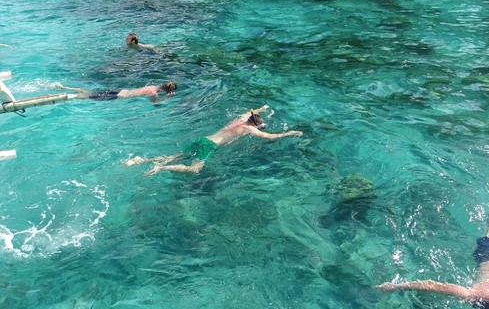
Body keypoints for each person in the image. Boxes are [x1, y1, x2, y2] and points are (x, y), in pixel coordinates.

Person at [376, 194, 489, 309]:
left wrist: (396, 286)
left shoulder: (484, 297)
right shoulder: (481, 297)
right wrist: (395, 286)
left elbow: (433, 285)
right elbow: (431, 285)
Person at [124, 105, 303, 174]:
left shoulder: (238, 121)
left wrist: (262, 108)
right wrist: (289, 133)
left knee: (177, 155)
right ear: (255, 125)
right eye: (261, 125)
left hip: (203, 139)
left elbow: (250, 113)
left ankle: (141, 160)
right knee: (194, 169)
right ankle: (160, 167)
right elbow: (271, 137)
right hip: (209, 146)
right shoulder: (249, 130)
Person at [55, 81, 176, 103]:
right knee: (89, 97)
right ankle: (72, 97)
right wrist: (167, 98)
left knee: (90, 92)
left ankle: (65, 87)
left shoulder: (153, 86)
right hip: (119, 96)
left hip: (120, 90)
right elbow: (154, 103)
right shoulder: (154, 94)